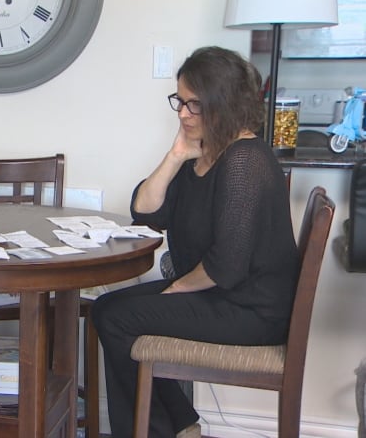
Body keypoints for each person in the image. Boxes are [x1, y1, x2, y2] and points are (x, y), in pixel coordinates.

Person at [91, 46, 299, 438]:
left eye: (194, 105)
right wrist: (175, 155)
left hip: (250, 310)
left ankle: (159, 430)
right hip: (218, 296)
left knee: (118, 318)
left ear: (224, 104)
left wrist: (174, 290)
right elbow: (146, 213)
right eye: (180, 102)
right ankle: (182, 425)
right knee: (105, 309)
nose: (183, 114)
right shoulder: (205, 155)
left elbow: (227, 264)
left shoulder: (244, 160)